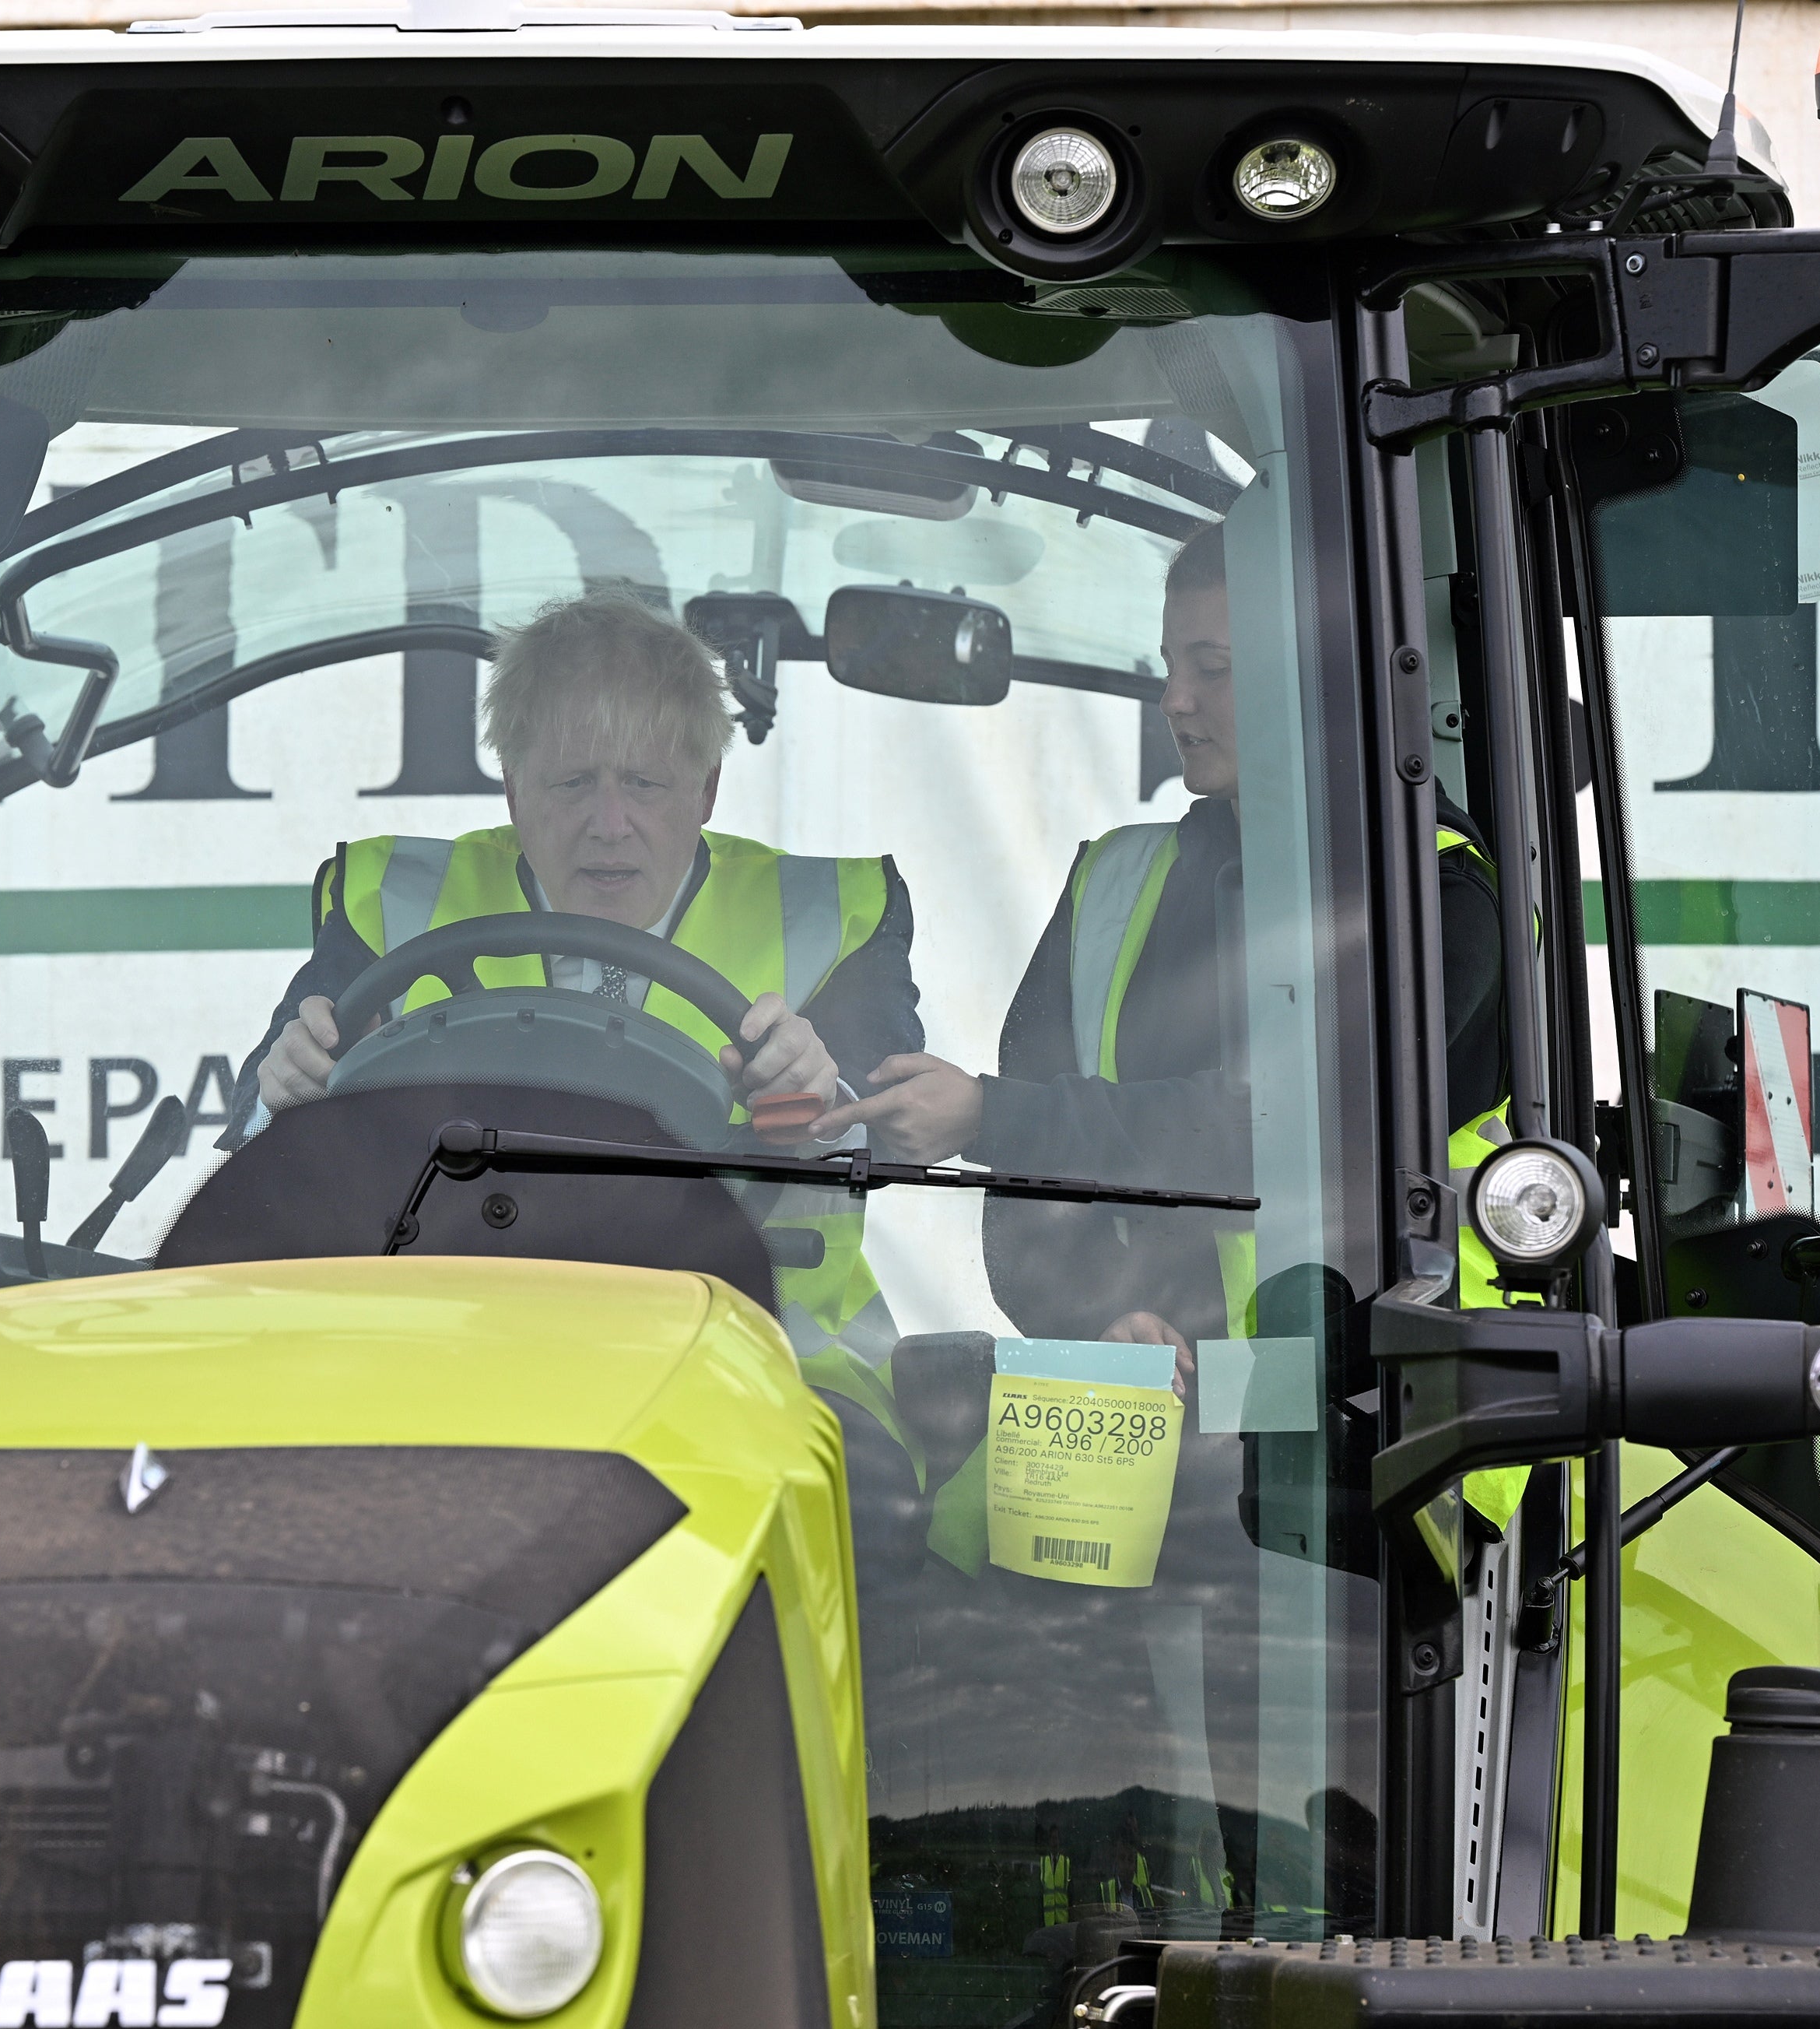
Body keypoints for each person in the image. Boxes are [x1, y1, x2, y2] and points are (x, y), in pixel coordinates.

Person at [816, 520, 1513, 1360]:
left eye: (1211, 669)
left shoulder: (1440, 894)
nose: (1173, 699)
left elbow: (1289, 1126)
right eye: (1170, 665)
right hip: (1168, 1414)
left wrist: (987, 1112)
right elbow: (1030, 1186)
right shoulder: (1114, 878)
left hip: (1391, 1404)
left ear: (1323, 677)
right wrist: (1094, 1321)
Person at [229, 588, 927, 1424]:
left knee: (864, 1511)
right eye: (572, 782)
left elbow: (887, 1129)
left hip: (769, 1353)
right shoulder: (387, 903)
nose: (609, 823)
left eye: (643, 783)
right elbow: (261, 1121)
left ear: (706, 791)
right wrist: (290, 1094)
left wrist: (814, 1098)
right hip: (443, 1342)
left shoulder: (829, 914)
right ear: (514, 790)